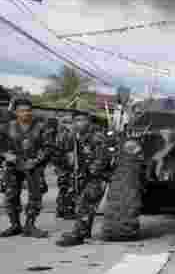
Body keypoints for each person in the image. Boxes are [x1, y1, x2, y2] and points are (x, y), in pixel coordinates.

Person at [55, 111, 111, 247]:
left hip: (97, 176)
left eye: (82, 120)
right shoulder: (74, 136)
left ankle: (77, 235)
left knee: (85, 204)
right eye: (76, 120)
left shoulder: (97, 137)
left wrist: (89, 172)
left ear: (89, 121)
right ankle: (84, 231)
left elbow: (102, 159)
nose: (79, 123)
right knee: (83, 203)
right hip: (80, 176)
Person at [2, 98, 52, 238]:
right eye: (22, 111)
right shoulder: (7, 127)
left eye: (29, 110)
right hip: (13, 165)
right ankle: (15, 225)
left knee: (35, 196)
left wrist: (36, 161)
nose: (26, 113)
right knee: (11, 195)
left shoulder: (41, 127)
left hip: (33, 166)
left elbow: (48, 147)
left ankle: (30, 226)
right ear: (16, 112)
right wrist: (6, 154)